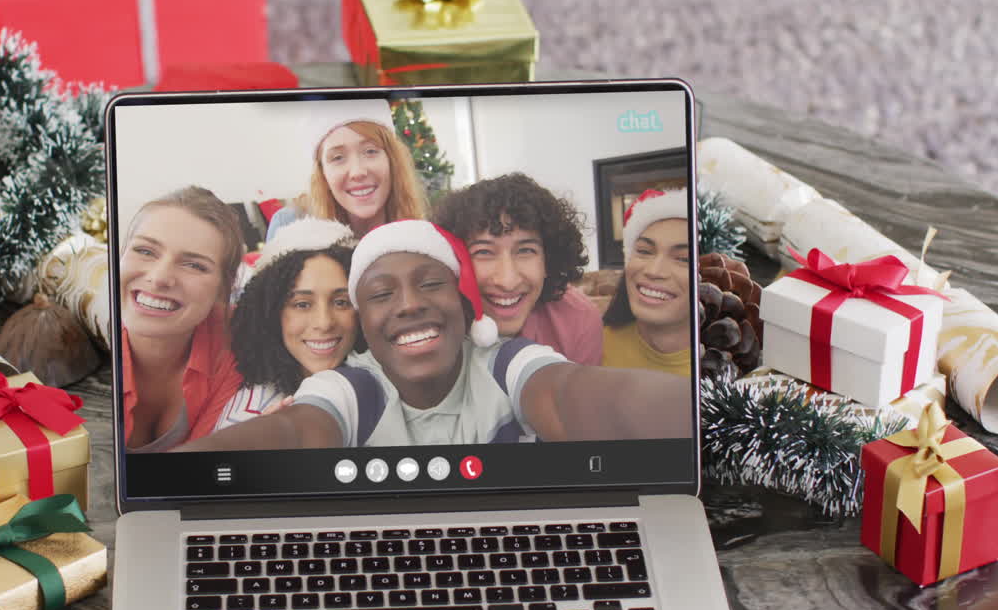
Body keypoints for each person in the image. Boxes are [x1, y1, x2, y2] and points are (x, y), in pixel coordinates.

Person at [175, 219, 691, 452]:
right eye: (380, 295)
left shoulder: (505, 361)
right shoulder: (351, 388)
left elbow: (567, 392)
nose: (410, 304)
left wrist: (706, 416)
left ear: (465, 308)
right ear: (364, 327)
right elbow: (302, 430)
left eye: (429, 285)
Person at [120, 186, 246, 451]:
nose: (159, 277)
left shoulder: (237, 341)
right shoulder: (91, 343)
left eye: (194, 265)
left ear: (224, 288)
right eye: (145, 251)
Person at [433, 172, 603, 364]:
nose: (508, 281)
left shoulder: (578, 320)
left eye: (525, 250)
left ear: (548, 260)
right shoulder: (433, 322)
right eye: (484, 252)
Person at [214, 218, 360, 430]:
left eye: (341, 302)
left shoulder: (383, 385)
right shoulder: (251, 421)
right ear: (271, 313)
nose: (324, 322)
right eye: (302, 304)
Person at [265, 99, 429, 241]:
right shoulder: (289, 226)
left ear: (392, 161)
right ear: (323, 173)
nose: (357, 172)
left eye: (370, 151)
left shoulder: (420, 233)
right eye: (337, 158)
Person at [600, 188, 692, 377]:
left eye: (684, 259)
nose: (654, 271)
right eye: (644, 251)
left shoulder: (727, 373)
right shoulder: (593, 345)